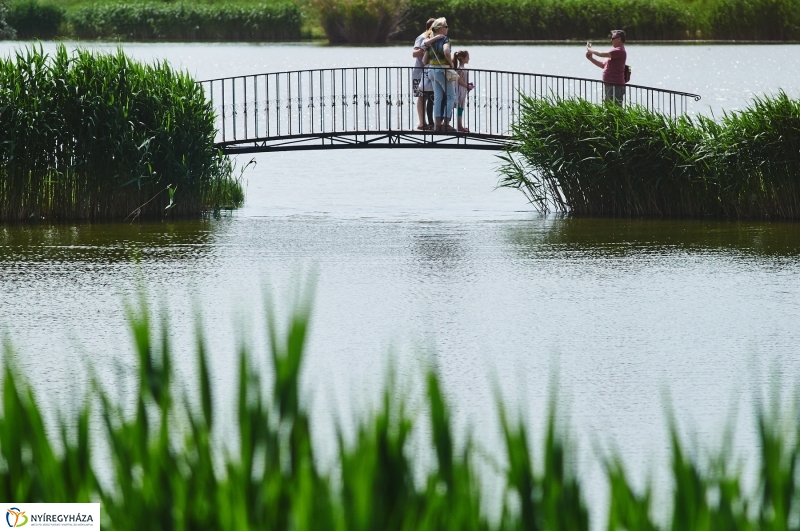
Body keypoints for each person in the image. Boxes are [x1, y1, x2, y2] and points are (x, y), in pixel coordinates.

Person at [426, 18, 456, 132]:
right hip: (442, 70)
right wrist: (451, 63)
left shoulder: (431, 40)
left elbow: (425, 57)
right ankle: (446, 123)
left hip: (431, 70)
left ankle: (437, 124)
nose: (447, 28)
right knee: (451, 96)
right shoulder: (445, 39)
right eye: (446, 26)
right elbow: (447, 52)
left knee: (438, 97)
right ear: (440, 29)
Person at [585, 29, 627, 105]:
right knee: (609, 109)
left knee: (615, 110)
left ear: (619, 39)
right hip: (610, 85)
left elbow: (601, 54)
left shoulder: (619, 51)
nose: (611, 41)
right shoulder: (615, 52)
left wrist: (590, 50)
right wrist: (591, 58)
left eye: (613, 38)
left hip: (615, 86)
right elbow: (603, 65)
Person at [412, 18, 436, 130]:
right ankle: (422, 123)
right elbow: (415, 54)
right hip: (419, 72)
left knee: (428, 97)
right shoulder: (422, 38)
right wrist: (425, 46)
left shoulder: (433, 38)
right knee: (421, 97)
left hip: (429, 73)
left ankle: (427, 122)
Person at [452, 50, 474, 132]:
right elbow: (460, 81)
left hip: (463, 90)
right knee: (460, 107)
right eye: (467, 57)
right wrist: (468, 86)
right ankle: (459, 126)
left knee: (461, 108)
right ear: (463, 59)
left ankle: (460, 125)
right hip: (460, 90)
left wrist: (467, 85)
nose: (469, 59)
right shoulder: (460, 69)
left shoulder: (461, 69)